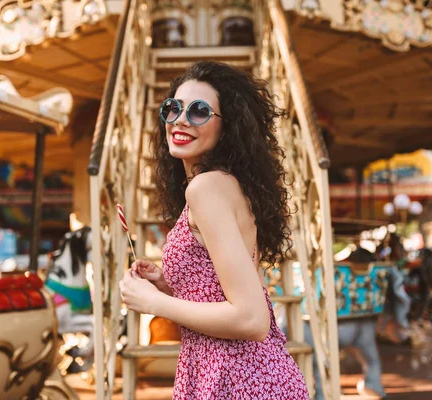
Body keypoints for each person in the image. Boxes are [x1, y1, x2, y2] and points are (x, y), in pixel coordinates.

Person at [119, 61, 309, 399]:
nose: (180, 119)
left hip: (237, 377)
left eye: (199, 112)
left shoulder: (205, 188)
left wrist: (154, 304)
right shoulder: (226, 185)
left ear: (228, 127)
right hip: (243, 372)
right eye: (172, 108)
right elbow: (226, 287)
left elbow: (251, 318)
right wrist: (167, 282)